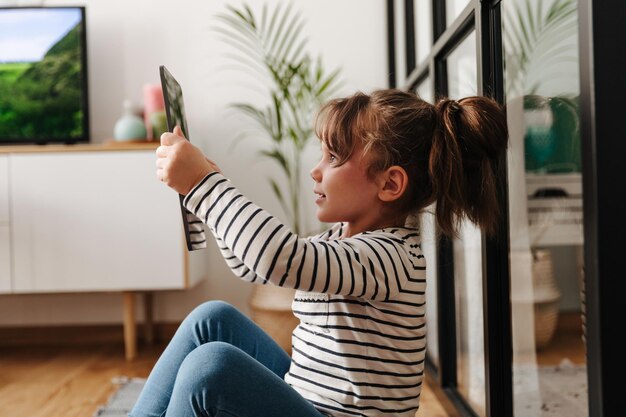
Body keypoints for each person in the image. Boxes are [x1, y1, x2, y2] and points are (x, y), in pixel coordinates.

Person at [130, 89, 508, 417]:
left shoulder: (389, 258)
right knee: (211, 319)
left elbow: (276, 257)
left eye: (333, 158)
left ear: (390, 183)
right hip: (309, 402)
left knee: (210, 368)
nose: (315, 170)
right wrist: (206, 189)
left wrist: (204, 185)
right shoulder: (341, 241)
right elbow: (254, 267)